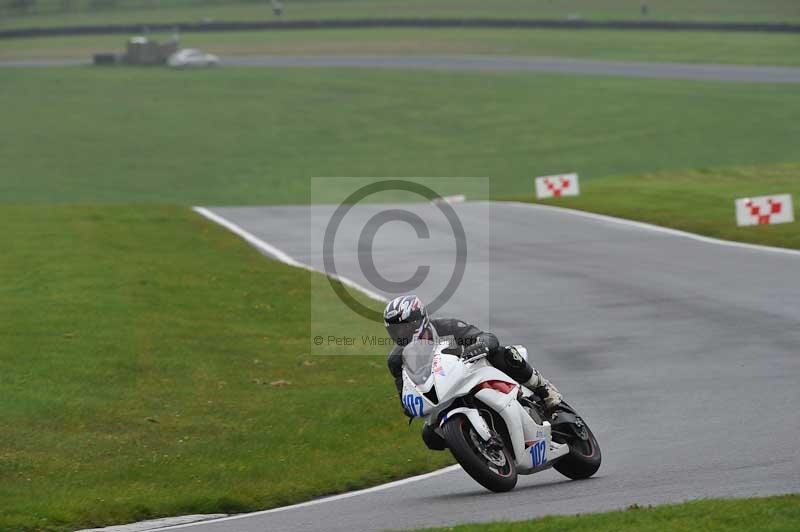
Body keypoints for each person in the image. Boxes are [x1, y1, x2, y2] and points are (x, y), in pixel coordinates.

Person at [384, 294, 563, 446]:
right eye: (395, 330)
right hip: (442, 390)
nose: (401, 334)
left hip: (473, 371)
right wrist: (408, 405)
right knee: (430, 437)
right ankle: (473, 443)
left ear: (419, 320)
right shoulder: (396, 359)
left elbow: (487, 338)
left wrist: (480, 345)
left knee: (504, 354)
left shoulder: (447, 327)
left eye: (405, 328)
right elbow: (405, 388)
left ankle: (543, 388)